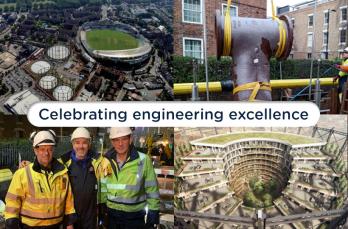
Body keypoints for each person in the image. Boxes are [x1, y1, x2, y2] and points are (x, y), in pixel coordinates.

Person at [4, 130, 77, 229]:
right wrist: (12, 225)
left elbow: (69, 202)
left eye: (49, 149)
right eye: (42, 149)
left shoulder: (63, 174)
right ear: (35, 150)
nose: (46, 153)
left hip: (56, 226)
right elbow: (12, 203)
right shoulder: (22, 174)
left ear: (53, 150)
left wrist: (69, 224)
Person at [99, 127, 160, 229]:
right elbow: (103, 188)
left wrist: (152, 217)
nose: (120, 144)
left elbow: (152, 191)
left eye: (124, 139)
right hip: (112, 217)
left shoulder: (143, 160)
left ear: (130, 139)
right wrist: (101, 211)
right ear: (112, 142)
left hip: (134, 218)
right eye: (116, 140)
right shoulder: (105, 161)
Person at [59, 127, 103, 229]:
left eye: (84, 143)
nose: (81, 146)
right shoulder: (63, 164)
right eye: (77, 142)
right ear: (73, 144)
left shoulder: (98, 163)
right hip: (70, 220)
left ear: (89, 144)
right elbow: (45, 168)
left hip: (90, 220)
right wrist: (28, 164)